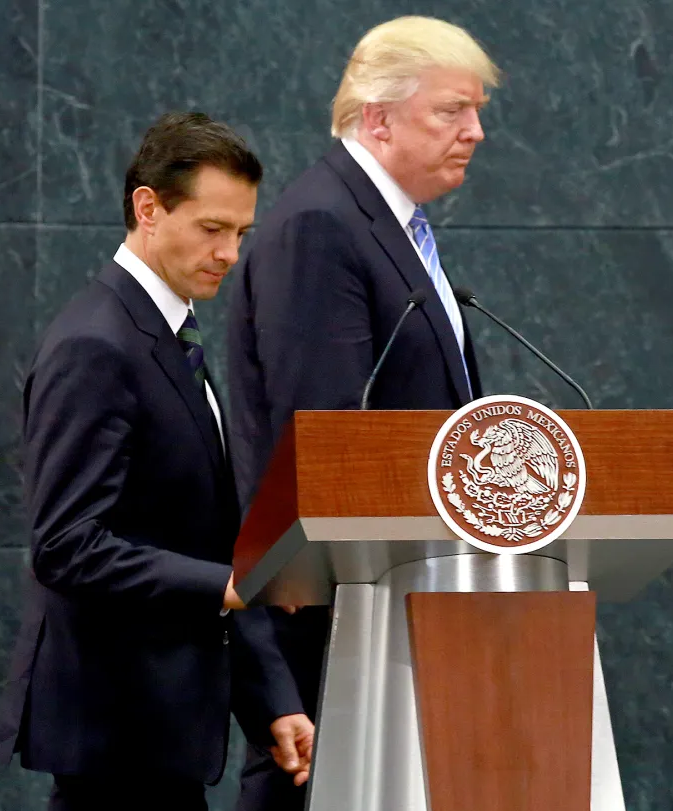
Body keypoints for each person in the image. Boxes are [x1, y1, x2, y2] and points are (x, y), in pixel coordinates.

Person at [0, 112, 314, 811]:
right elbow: (67, 545)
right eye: (212, 228)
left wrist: (273, 700)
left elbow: (205, 536)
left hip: (163, 736)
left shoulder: (171, 334)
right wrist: (230, 584)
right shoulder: (96, 343)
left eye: (241, 233)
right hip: (114, 734)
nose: (230, 253)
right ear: (148, 208)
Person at [225, 16, 501, 811]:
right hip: (335, 607)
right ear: (378, 118)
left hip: (398, 595)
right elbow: (325, 434)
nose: (475, 131)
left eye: (476, 111)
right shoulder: (324, 224)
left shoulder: (393, 226)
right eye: (451, 110)